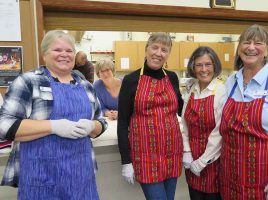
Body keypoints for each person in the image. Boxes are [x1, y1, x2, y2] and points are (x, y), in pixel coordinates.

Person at [0, 30, 107, 199]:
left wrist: (92, 126)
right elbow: (4, 126)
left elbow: (101, 121)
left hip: (82, 179)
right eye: (57, 50)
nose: (64, 54)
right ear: (44, 55)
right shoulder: (28, 82)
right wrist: (53, 126)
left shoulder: (86, 86)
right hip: (41, 179)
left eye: (69, 50)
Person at [219, 24, 268, 200]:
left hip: (266, 176)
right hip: (230, 174)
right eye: (246, 42)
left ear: (267, 50)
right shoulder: (231, 81)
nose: (251, 47)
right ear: (239, 47)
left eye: (258, 43)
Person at [117, 32, 183, 200]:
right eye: (155, 47)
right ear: (146, 50)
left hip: (172, 153)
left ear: (168, 54)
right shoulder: (131, 80)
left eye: (164, 49)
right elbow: (123, 123)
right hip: (146, 157)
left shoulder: (172, 77)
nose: (158, 53)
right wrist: (126, 161)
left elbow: (181, 109)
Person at [181, 46, 226, 200]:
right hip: (191, 160)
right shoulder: (191, 90)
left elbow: (219, 132)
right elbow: (184, 125)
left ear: (215, 66)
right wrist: (186, 152)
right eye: (199, 65)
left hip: (214, 162)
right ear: (193, 67)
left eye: (208, 64)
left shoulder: (221, 91)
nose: (203, 69)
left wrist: (202, 162)